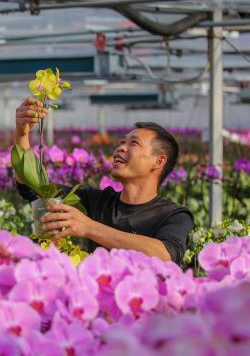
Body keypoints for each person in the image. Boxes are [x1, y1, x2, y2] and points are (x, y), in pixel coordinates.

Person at [14, 97, 193, 265]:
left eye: (133, 143)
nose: (120, 148)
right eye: (122, 142)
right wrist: (22, 134)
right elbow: (33, 187)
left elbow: (164, 254)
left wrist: (89, 227)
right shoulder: (94, 201)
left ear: (159, 161)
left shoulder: (175, 215)